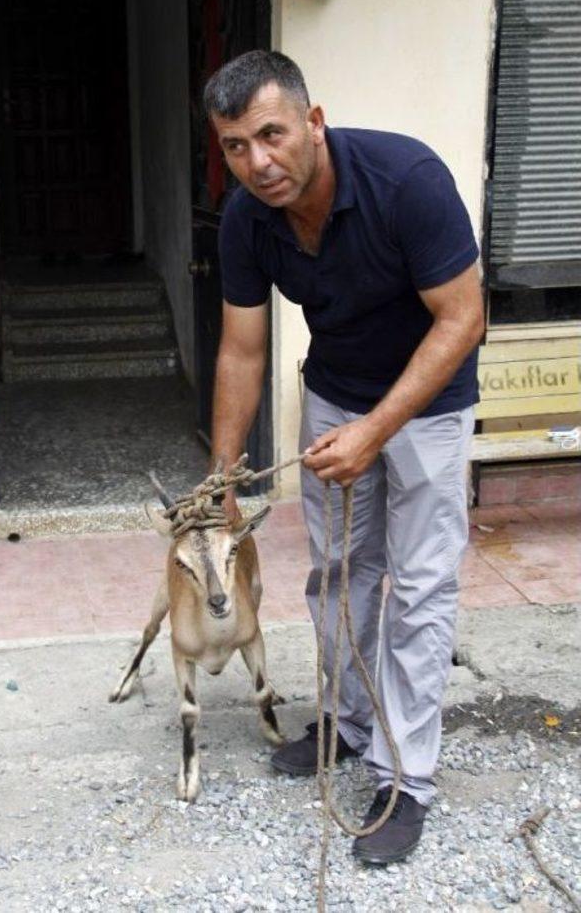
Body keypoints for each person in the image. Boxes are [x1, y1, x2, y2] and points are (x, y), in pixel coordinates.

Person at [204, 50, 484, 865]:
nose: (257, 162)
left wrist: (378, 430)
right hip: (334, 395)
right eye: (233, 146)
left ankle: (408, 779)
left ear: (313, 122)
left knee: (420, 589)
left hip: (429, 407)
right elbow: (242, 350)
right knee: (336, 573)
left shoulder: (408, 181)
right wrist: (225, 473)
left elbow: (464, 320)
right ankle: (349, 722)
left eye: (271, 135)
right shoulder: (246, 219)